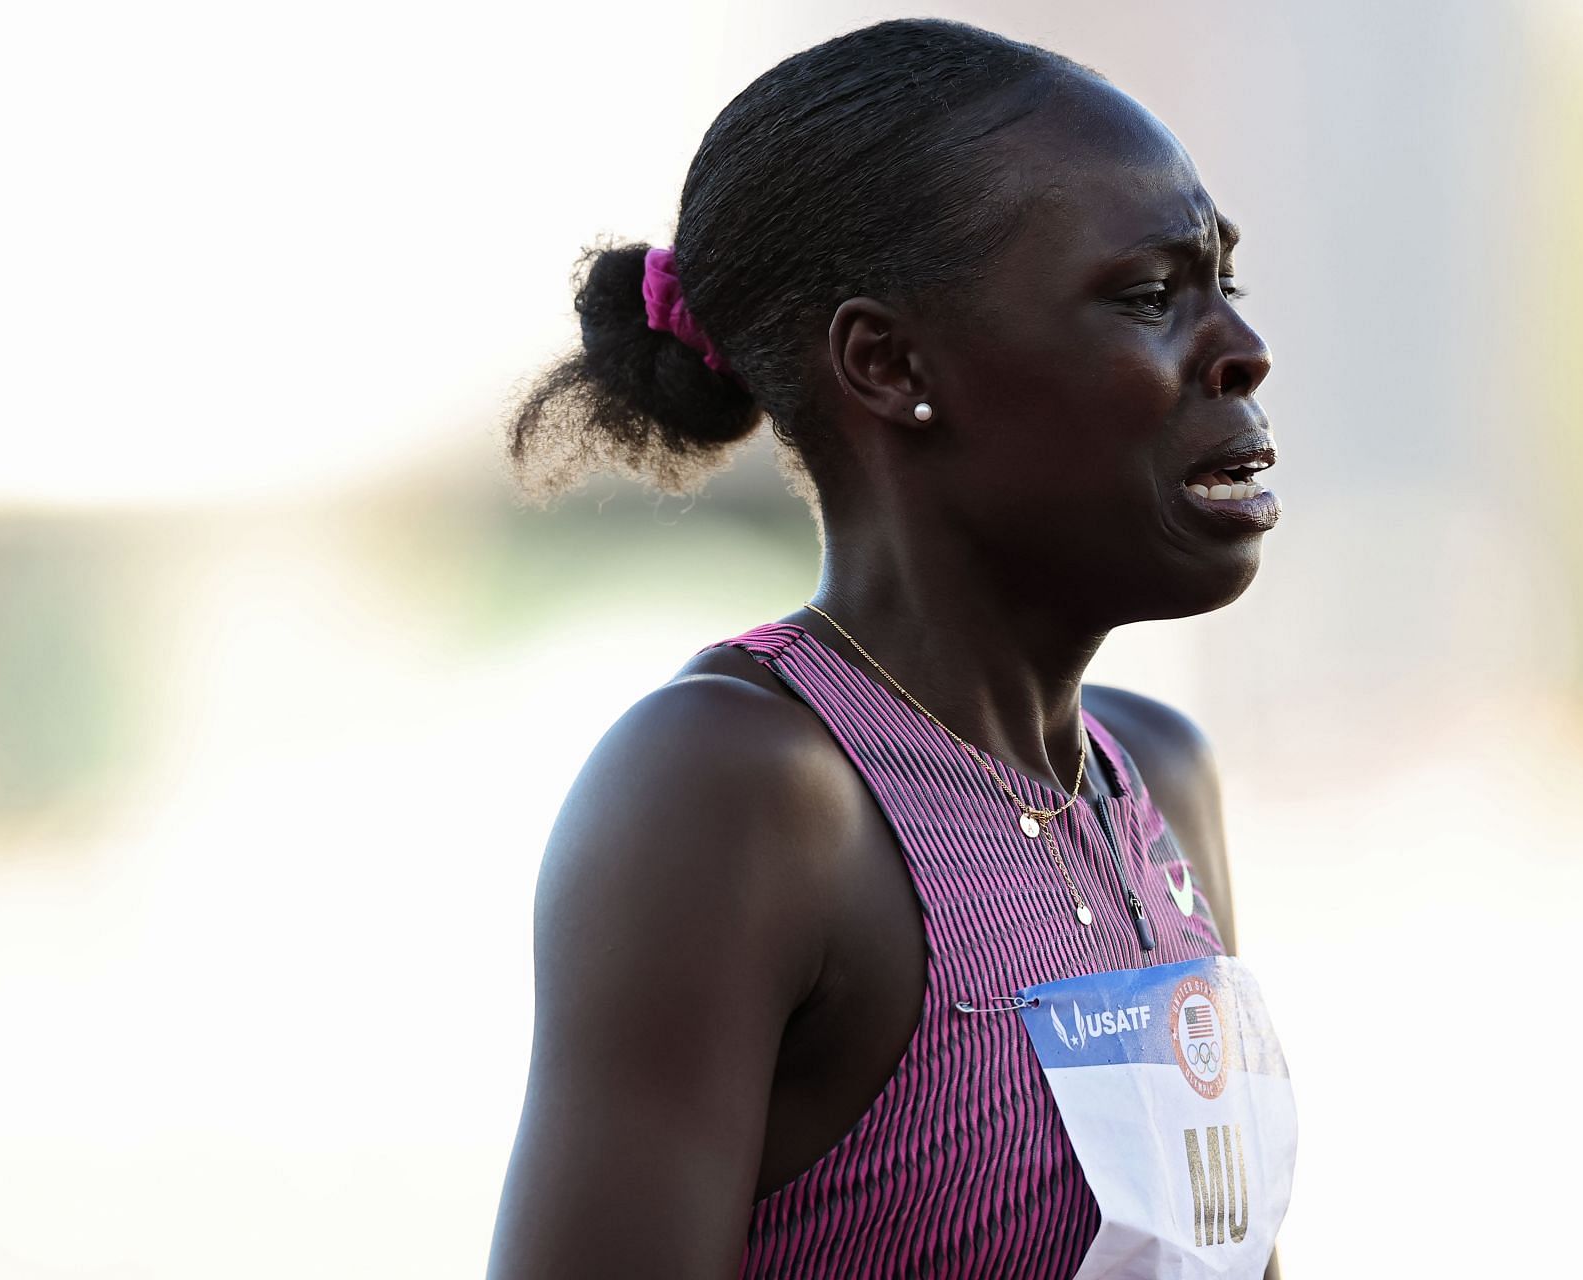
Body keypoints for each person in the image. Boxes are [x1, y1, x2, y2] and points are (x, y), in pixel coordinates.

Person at [488, 17, 1295, 1279]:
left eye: (1222, 284)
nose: (1241, 351)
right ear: (886, 364)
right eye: (1147, 296)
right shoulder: (738, 790)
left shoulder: (1160, 780)